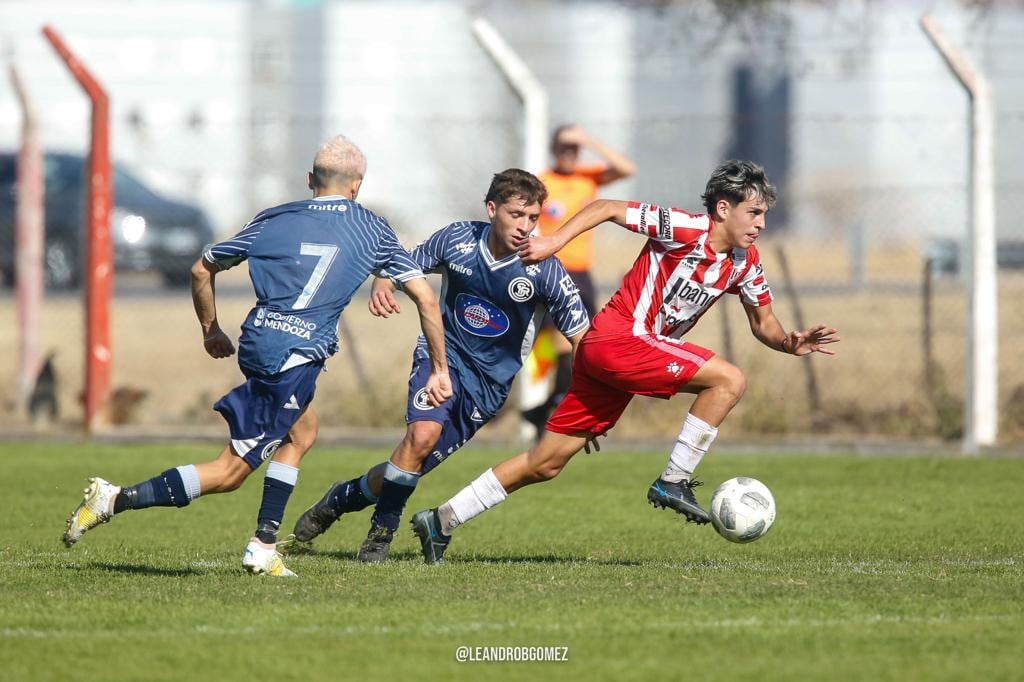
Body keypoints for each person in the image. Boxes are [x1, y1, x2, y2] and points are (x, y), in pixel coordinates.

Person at [410, 160, 840, 564]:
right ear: (723, 208)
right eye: (754, 212)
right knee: (728, 380)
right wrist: (555, 241)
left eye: (764, 215)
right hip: (619, 339)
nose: (761, 224)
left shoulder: (746, 263)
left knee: (546, 463)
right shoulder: (687, 228)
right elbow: (607, 207)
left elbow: (763, 322)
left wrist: (788, 341)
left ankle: (442, 520)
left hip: (619, 359)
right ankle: (673, 479)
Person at [61, 135, 452, 576]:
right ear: (357, 186)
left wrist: (211, 330)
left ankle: (265, 544)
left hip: (259, 340)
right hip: (293, 355)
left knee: (302, 433)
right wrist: (440, 368)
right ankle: (115, 499)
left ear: (310, 180)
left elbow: (200, 268)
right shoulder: (372, 228)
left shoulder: (276, 217)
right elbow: (426, 298)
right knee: (230, 472)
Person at [284, 169, 590, 563]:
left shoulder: (544, 268)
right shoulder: (458, 238)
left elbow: (584, 340)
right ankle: (381, 536)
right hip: (441, 358)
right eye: (517, 214)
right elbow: (405, 265)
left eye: (533, 218)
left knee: (411, 462)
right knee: (422, 436)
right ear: (492, 209)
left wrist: (588, 403)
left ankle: (339, 499)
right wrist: (384, 281)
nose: (525, 227)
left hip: (488, 387)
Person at [520, 124, 636, 438]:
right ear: (553, 149)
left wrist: (589, 140)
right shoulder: (543, 181)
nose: (570, 154)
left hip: (583, 274)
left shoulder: (588, 178)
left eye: (574, 148)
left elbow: (627, 168)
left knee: (583, 343)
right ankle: (550, 407)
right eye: (564, 147)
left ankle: (544, 409)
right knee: (559, 341)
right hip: (552, 269)